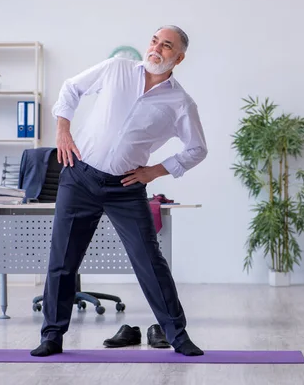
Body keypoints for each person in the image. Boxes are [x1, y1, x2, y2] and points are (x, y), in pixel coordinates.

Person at [30, 25, 207, 357]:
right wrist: (63, 129)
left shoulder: (181, 103)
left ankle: (178, 336)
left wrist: (153, 172)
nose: (156, 48)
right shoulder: (116, 69)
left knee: (150, 262)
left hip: (126, 189)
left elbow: (196, 148)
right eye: (155, 40)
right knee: (63, 259)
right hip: (79, 177)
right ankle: (52, 335)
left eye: (166, 46)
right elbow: (71, 88)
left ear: (179, 57)